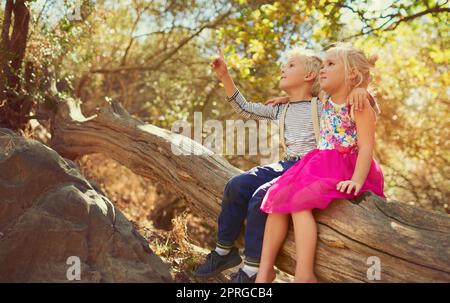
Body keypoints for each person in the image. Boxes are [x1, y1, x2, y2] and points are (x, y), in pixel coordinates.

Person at [255, 42, 386, 283]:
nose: (323, 70)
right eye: (323, 64)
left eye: (330, 64)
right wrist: (287, 98)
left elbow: (367, 146)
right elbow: (305, 94)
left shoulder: (358, 103)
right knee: (277, 198)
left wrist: (356, 180)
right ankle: (264, 270)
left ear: (352, 74)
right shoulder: (325, 96)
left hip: (345, 165)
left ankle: (305, 274)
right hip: (318, 161)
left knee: (299, 203)